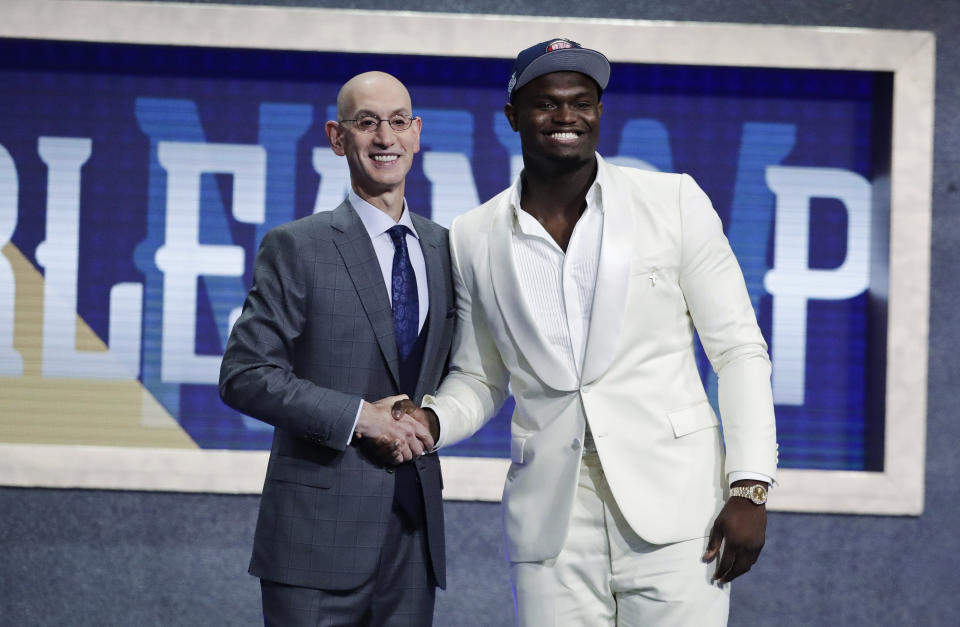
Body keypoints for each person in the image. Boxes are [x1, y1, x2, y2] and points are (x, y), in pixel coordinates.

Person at [395, 39, 778, 626]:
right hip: (551, 516)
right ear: (513, 117)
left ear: (599, 113)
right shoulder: (473, 235)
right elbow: (479, 375)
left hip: (678, 508)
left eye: (581, 102)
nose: (566, 116)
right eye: (547, 103)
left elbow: (739, 351)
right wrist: (431, 419)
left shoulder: (673, 201)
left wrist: (749, 486)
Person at [219, 71, 453, 626]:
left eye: (398, 122)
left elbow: (467, 371)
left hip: (413, 538)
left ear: (417, 133)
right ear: (336, 137)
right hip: (313, 541)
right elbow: (245, 373)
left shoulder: (448, 249)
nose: (384, 137)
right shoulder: (297, 246)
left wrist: (434, 419)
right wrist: (361, 419)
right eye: (366, 122)